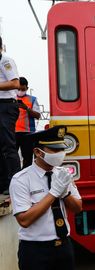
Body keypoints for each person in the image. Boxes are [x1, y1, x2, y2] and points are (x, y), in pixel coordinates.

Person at [9, 125, 82, 270]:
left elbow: (77, 208)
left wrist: (64, 190)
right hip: (35, 252)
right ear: (37, 152)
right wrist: (53, 193)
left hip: (63, 248)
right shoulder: (21, 180)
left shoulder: (63, 174)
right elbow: (24, 219)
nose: (60, 154)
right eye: (54, 150)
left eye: (61, 149)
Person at [0, 36, 21, 195]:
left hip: (6, 105)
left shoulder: (5, 61)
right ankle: (3, 183)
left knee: (8, 146)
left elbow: (15, 83)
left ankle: (15, 183)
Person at [16, 77, 41, 169]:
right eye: (18, 89)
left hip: (27, 133)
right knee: (11, 158)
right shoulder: (10, 98)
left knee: (27, 158)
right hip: (11, 132)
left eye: (22, 89)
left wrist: (26, 108)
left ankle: (26, 177)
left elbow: (38, 115)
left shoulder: (32, 99)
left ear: (27, 88)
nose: (20, 91)